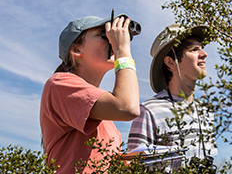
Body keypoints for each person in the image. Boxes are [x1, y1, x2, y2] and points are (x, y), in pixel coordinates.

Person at [40, 13, 140, 173]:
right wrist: (122, 51)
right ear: (76, 49)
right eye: (104, 35)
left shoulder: (106, 118)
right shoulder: (59, 84)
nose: (112, 41)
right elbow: (128, 107)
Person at [127, 23, 218, 168]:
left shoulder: (206, 112)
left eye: (202, 48)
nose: (204, 54)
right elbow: (133, 166)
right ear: (171, 62)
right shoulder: (149, 111)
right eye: (194, 49)